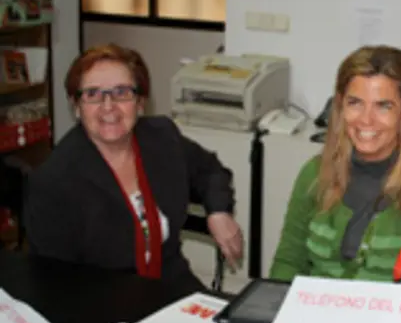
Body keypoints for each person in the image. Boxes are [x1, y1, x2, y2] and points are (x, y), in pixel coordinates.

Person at [25, 44, 243, 281]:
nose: (108, 107)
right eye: (93, 94)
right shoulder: (53, 182)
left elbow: (210, 170)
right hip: (97, 300)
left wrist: (219, 211)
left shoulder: (162, 138)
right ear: (77, 107)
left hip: (170, 284)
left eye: (121, 92)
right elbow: (56, 282)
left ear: (140, 102)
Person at [268, 45, 401, 283]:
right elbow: (288, 262)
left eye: (383, 106)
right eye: (355, 103)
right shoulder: (314, 174)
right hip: (313, 313)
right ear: (340, 105)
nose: (366, 120)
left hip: (388, 318)